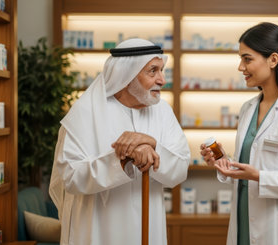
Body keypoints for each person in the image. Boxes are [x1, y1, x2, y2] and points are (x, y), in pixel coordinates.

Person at [49, 38, 190, 245]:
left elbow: (180, 169)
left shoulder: (163, 112)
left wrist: (153, 146)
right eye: (153, 71)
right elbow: (70, 177)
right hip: (98, 229)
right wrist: (123, 160)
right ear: (126, 75)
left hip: (148, 226)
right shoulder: (85, 113)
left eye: (162, 70)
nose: (162, 79)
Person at [200, 22, 278, 245]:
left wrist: (259, 176)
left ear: (273, 60)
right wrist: (224, 163)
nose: (240, 67)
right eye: (241, 59)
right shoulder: (248, 108)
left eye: (247, 59)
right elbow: (248, 170)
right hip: (244, 226)